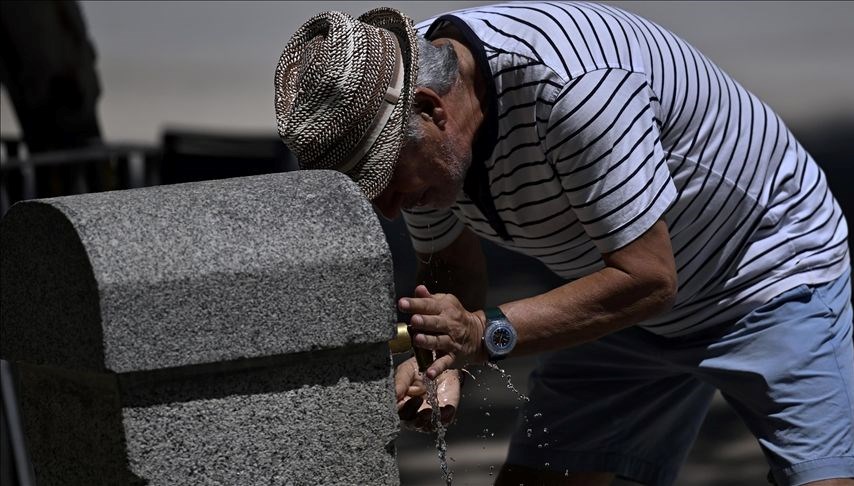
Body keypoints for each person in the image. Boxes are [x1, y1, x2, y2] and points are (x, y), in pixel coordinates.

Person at [274, 3, 852, 485]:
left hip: (765, 277)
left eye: (389, 177)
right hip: (623, 306)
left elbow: (649, 280)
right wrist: (446, 364)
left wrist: (480, 334)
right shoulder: (403, 100)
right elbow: (449, 261)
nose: (389, 209)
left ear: (431, 110)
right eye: (368, 190)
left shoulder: (574, 89)